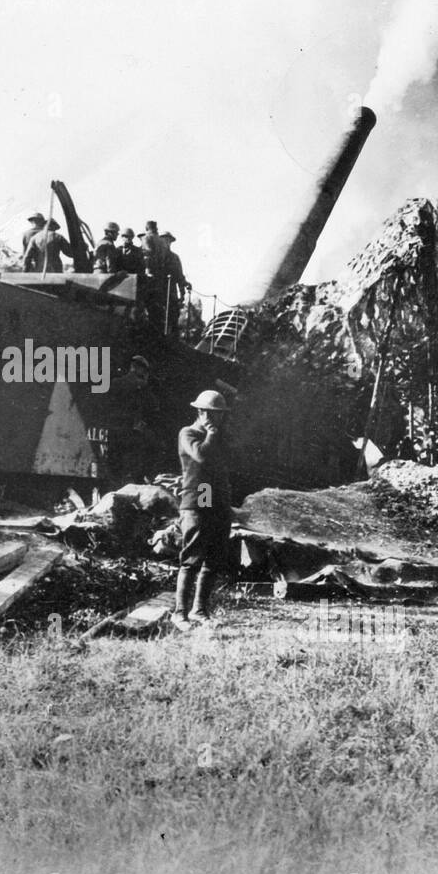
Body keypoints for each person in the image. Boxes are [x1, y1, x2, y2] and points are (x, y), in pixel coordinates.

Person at [173, 389, 233, 632]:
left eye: (220, 415)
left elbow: (224, 467)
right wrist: (210, 435)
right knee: (192, 558)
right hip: (199, 500)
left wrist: (225, 507)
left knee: (213, 559)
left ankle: (199, 610)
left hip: (215, 501)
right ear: (200, 412)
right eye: (212, 414)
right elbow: (201, 457)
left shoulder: (217, 436)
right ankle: (180, 613)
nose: (217, 419)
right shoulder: (188, 433)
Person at [104, 355, 158, 483]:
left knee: (116, 465)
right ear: (139, 368)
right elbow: (154, 406)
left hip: (115, 431)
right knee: (136, 463)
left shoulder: (116, 382)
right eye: (145, 370)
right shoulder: (142, 385)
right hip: (133, 431)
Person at [160, 232, 190, 333]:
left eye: (168, 240)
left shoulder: (174, 258)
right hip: (157, 290)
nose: (166, 242)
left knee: (172, 316)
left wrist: (182, 293)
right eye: (164, 239)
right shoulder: (155, 256)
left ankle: (171, 340)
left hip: (170, 292)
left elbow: (179, 276)